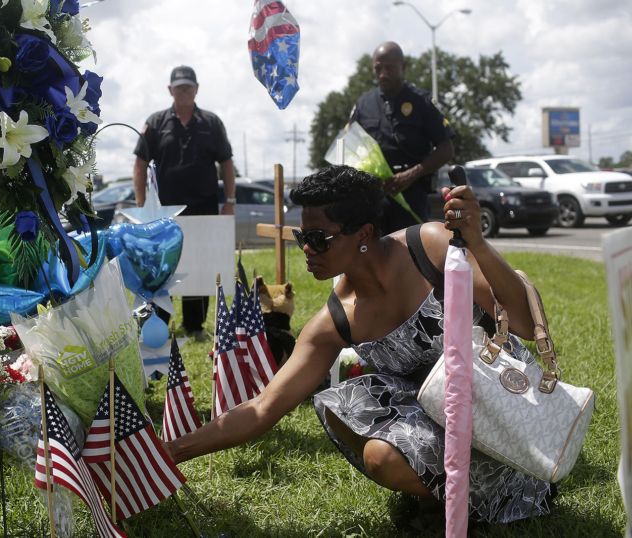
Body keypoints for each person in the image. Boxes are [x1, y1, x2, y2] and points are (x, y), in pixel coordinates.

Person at [164, 165, 556, 528]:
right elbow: (263, 408)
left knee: (377, 413)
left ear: (364, 234)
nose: (306, 249)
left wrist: (478, 245)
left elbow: (521, 322)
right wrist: (169, 452)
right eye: (303, 237)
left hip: (505, 412)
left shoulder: (431, 248)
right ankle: (447, 497)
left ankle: (475, 493)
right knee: (352, 413)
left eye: (319, 238)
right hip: (438, 419)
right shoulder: (335, 320)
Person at [133, 65, 236, 340]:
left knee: (199, 266)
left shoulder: (211, 122)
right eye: (180, 87)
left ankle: (195, 326)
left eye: (189, 86)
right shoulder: (155, 122)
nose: (185, 91)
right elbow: (141, 163)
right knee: (163, 267)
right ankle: (158, 325)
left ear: (197, 89)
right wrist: (143, 204)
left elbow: (226, 162)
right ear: (171, 90)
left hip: (203, 209)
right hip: (164, 211)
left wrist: (230, 201)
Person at [349, 42, 455, 235]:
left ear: (403, 66)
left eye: (389, 68)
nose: (382, 74)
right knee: (374, 257)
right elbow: (349, 148)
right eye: (377, 68)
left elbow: (446, 149)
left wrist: (411, 175)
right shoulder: (364, 104)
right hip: (373, 197)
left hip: (412, 194)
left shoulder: (422, 101)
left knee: (412, 255)